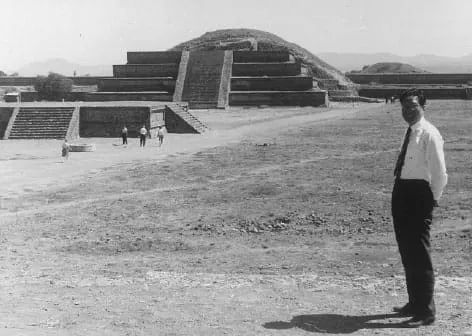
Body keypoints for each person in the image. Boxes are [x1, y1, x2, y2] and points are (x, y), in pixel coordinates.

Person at [391, 88, 447, 327]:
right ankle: (414, 302)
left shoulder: (429, 134)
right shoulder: (411, 132)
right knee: (407, 250)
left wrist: (431, 200)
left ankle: (426, 309)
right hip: (402, 192)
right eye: (404, 106)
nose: (408, 110)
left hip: (419, 196)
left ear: (423, 107)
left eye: (413, 106)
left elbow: (440, 173)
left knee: (420, 254)